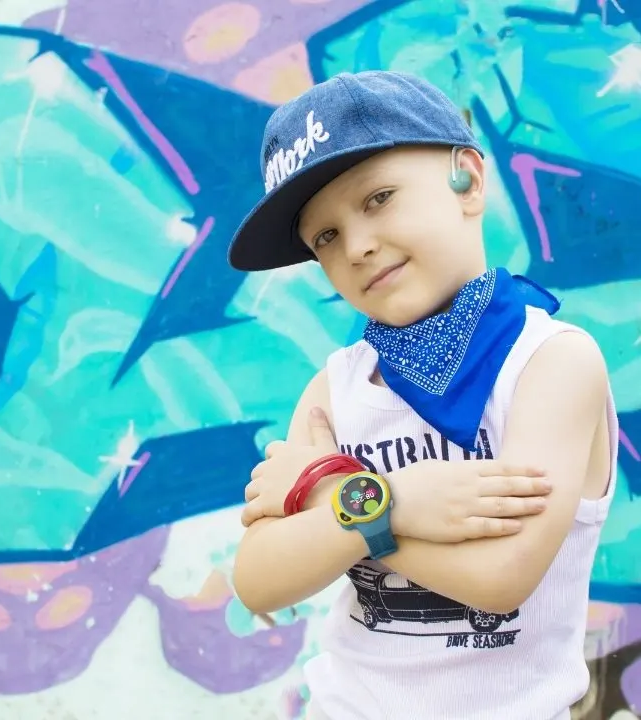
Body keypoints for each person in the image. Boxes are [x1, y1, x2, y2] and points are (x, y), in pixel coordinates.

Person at [227, 71, 617, 720]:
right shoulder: (336, 388)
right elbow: (260, 577)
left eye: (378, 199)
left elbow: (503, 578)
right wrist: (394, 501)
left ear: (466, 179)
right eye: (324, 236)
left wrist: (338, 493)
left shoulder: (550, 362)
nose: (357, 245)